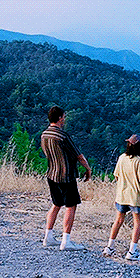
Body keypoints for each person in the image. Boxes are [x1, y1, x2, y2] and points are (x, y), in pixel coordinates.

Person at [40, 106, 92, 251]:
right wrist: (88, 169)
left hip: (51, 174)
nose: (64, 119)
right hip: (66, 175)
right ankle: (66, 241)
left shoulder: (44, 135)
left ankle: (48, 237)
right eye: (64, 117)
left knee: (56, 204)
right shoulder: (63, 136)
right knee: (71, 206)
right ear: (60, 118)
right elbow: (79, 155)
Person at [102, 134, 140, 261]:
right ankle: (132, 252)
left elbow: (116, 175)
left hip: (121, 195)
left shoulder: (122, 157)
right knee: (138, 223)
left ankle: (109, 247)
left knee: (118, 221)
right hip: (134, 197)